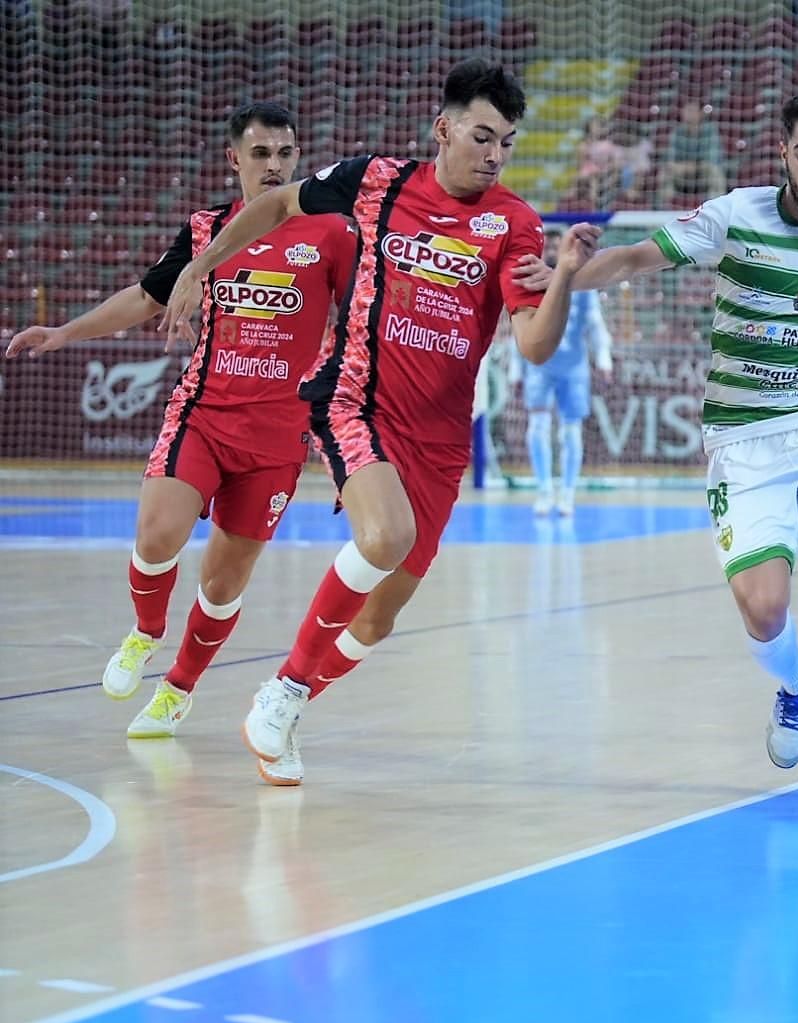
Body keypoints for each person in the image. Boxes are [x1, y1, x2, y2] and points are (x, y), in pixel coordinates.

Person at [162, 59, 599, 783]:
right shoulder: (375, 181)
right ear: (444, 129)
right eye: (483, 136)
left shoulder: (514, 223)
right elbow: (274, 208)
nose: (494, 155)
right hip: (357, 399)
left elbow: (533, 343)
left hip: (441, 437)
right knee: (385, 535)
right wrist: (199, 264)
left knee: (377, 619)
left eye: (508, 143)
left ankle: (288, 702)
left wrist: (569, 282)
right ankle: (286, 689)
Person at [542, 88, 798, 807]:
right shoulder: (735, 216)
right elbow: (638, 260)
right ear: (784, 154)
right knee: (764, 609)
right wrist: (568, 273)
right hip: (746, 436)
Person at [4, 103, 356, 752]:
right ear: (235, 160)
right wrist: (63, 333)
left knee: (223, 586)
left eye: (285, 153)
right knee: (156, 531)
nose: (274, 165)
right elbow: (145, 299)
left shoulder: (333, 234)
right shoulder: (206, 232)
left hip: (277, 442)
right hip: (203, 416)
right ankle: (145, 630)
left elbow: (360, 327)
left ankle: (177, 691)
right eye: (260, 154)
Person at [517, 245, 613, 515]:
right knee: (537, 425)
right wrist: (516, 370)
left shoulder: (584, 287)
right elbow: (520, 325)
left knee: (570, 430)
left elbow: (595, 324)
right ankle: (544, 491)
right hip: (539, 366)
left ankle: (568, 493)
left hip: (573, 367)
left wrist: (604, 360)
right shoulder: (532, 283)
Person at [658, 99, 727, 207]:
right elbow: (670, 159)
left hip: (703, 173)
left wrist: (690, 166)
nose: (687, 113)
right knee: (664, 173)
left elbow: (711, 160)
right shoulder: (677, 132)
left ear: (700, 113)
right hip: (682, 174)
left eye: (691, 110)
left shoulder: (710, 131)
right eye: (685, 110)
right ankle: (665, 211)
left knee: (716, 172)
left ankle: (716, 210)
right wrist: (678, 167)